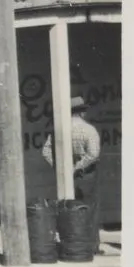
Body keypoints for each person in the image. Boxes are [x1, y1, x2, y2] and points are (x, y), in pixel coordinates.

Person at [41, 95, 102, 252]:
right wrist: (78, 166)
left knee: (67, 208)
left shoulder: (59, 130)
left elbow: (46, 151)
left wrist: (59, 166)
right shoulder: (89, 130)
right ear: (82, 113)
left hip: (65, 175)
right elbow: (93, 154)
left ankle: (71, 242)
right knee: (89, 209)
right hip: (85, 175)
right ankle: (91, 246)